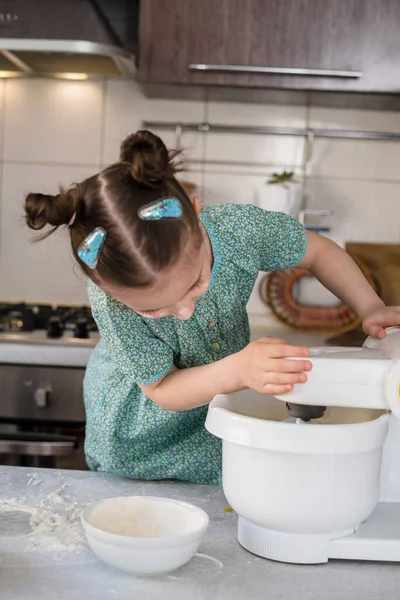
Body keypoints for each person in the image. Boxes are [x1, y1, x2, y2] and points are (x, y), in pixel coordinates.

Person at [24, 130, 400, 485]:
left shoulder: (238, 230)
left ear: (199, 216)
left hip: (211, 416)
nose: (184, 311)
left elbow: (315, 251)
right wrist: (236, 369)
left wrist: (369, 306)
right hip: (138, 440)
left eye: (196, 284)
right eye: (154, 310)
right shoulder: (110, 302)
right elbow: (162, 388)